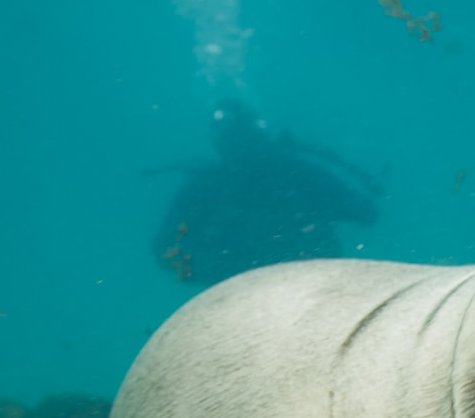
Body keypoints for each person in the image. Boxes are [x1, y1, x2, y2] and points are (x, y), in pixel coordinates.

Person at [153, 99, 381, 283]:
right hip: (280, 286)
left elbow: (365, 212)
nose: (240, 143)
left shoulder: (295, 171)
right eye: (232, 136)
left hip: (307, 283)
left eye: (241, 134)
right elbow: (165, 251)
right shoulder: (296, 171)